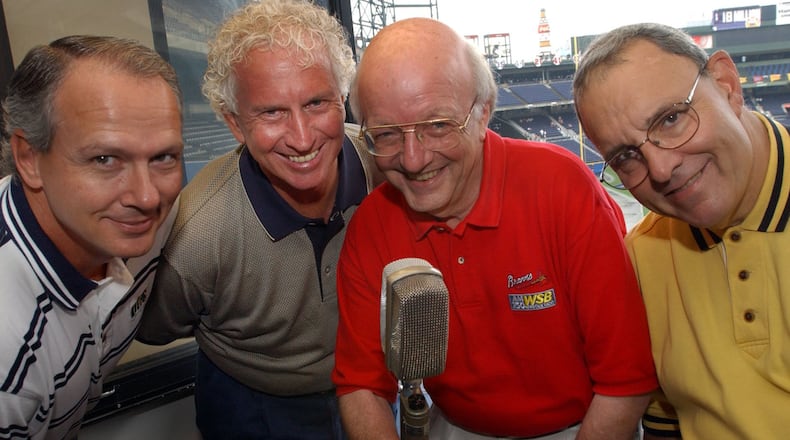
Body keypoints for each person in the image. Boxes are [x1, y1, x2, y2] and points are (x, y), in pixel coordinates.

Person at [331, 17, 658, 440]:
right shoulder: (373, 224)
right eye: (387, 134)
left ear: (484, 111)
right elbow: (361, 385)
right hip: (454, 425)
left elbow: (626, 382)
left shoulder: (563, 188)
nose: (412, 160)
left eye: (437, 126)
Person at [135, 0, 383, 438]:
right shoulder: (197, 233)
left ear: (343, 99)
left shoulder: (383, 168)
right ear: (234, 123)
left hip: (370, 385)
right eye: (271, 112)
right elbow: (156, 327)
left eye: (316, 102)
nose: (303, 137)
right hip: (249, 404)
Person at [572, 22, 790, 439]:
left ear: (727, 84)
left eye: (671, 118)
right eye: (626, 156)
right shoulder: (643, 254)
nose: (661, 169)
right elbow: (666, 418)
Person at [0, 35, 183, 439]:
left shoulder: (146, 221)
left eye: (164, 157)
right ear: (29, 158)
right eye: (104, 159)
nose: (147, 196)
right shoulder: (7, 350)